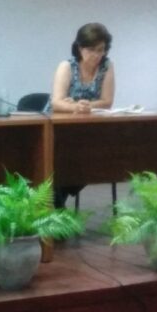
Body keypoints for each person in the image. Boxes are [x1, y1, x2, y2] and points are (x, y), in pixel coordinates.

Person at [50, 22, 115, 207]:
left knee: (90, 157)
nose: (96, 55)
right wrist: (74, 107)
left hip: (89, 130)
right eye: (91, 50)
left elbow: (107, 102)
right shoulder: (67, 66)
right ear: (80, 48)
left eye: (101, 50)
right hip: (61, 129)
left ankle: (59, 201)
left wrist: (86, 106)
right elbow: (56, 102)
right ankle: (57, 204)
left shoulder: (107, 66)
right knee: (61, 161)